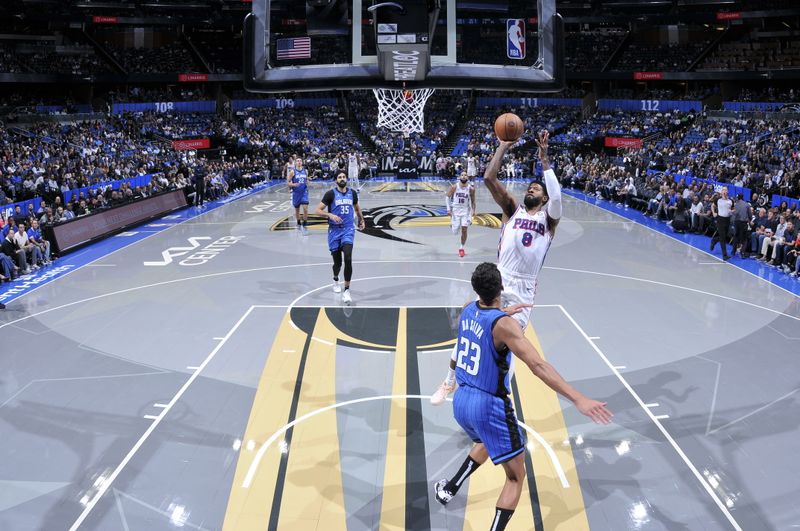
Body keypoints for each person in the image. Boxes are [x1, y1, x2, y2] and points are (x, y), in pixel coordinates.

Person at [433, 263, 612, 531]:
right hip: (488, 405)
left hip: (461, 403)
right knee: (516, 477)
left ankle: (450, 488)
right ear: (502, 287)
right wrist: (577, 399)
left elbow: (484, 320)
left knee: (484, 439)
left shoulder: (468, 308)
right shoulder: (504, 326)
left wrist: (503, 313)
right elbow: (538, 366)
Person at [432, 130, 562, 405]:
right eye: (530, 187)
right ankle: (448, 381)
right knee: (471, 330)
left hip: (524, 289)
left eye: (536, 189)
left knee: (507, 347)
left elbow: (558, 198)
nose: (531, 189)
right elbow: (489, 178)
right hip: (500, 281)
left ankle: (501, 400)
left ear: (545, 198)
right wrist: (502, 146)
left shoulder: (549, 221)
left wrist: (545, 160)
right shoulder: (512, 210)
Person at [314, 172, 365, 305]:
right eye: (339, 177)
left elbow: (357, 208)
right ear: (336, 180)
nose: (342, 179)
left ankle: (347, 291)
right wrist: (329, 215)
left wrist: (361, 220)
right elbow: (317, 210)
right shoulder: (330, 194)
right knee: (338, 264)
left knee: (348, 258)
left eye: (344, 177)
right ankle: (336, 279)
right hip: (334, 231)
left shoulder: (352, 193)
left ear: (346, 179)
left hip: (348, 229)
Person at [446, 171, 476, 257]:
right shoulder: (455, 187)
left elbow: (473, 200)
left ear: (467, 177)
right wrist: (448, 209)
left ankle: (461, 248)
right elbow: (447, 197)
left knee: (464, 229)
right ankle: (453, 225)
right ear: (459, 177)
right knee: (455, 232)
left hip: (465, 211)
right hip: (455, 210)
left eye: (465, 175)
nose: (463, 176)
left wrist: (473, 210)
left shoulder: (471, 188)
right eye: (462, 175)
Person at [288, 158, 310, 234]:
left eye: (300, 161)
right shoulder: (292, 172)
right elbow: (288, 182)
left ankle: (305, 223)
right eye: (297, 161)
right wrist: (293, 184)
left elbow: (306, 180)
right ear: (295, 163)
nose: (299, 162)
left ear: (302, 162)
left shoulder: (305, 171)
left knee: (305, 208)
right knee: (297, 210)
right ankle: (298, 222)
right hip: (296, 193)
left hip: (304, 192)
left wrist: (307, 181)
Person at [710, 187, 733, 260]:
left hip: (727, 220)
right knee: (723, 238)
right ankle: (725, 255)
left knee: (724, 236)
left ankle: (714, 240)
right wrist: (713, 212)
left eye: (726, 190)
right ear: (721, 191)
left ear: (728, 192)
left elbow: (733, 209)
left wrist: (732, 211)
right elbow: (712, 206)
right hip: (720, 219)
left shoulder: (731, 200)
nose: (724, 191)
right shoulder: (718, 199)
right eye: (723, 190)